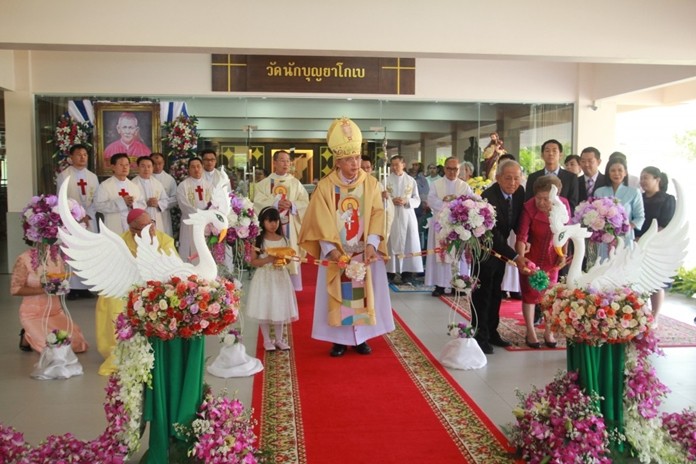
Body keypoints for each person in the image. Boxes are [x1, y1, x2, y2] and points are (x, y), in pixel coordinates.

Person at [298, 117, 394, 357]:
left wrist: (372, 244)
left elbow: (377, 214)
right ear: (338, 161)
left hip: (364, 252)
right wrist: (331, 250)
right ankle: (339, 340)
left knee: (363, 294)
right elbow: (321, 220)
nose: (355, 163)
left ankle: (360, 338)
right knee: (340, 296)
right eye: (349, 159)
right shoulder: (326, 187)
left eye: (358, 157)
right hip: (337, 253)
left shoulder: (370, 184)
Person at [95, 208, 176, 375]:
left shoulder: (164, 240)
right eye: (144, 227)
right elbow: (112, 269)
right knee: (111, 299)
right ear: (132, 230)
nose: (151, 229)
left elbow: (173, 266)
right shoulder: (120, 242)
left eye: (151, 224)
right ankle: (122, 349)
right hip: (128, 283)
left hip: (157, 282)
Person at [471, 159, 526, 354]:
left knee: (496, 293)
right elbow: (492, 236)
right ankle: (479, 336)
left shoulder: (520, 193)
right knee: (482, 295)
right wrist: (516, 256)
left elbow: (521, 220)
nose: (512, 182)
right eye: (508, 178)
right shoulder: (488, 197)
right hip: (485, 249)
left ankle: (492, 332)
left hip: (501, 251)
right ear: (498, 178)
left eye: (516, 178)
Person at [515, 175, 569, 348]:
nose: (541, 202)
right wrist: (521, 259)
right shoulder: (528, 207)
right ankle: (530, 332)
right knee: (530, 295)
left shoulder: (563, 205)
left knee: (550, 296)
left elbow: (565, 232)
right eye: (538, 197)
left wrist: (563, 254)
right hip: (532, 257)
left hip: (553, 256)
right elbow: (522, 236)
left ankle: (548, 331)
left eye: (546, 199)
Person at [11, 248, 89, 354]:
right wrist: (44, 289)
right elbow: (15, 290)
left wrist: (62, 287)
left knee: (77, 344)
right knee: (51, 348)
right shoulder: (24, 259)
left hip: (55, 312)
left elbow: (61, 280)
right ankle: (28, 333)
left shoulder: (56, 257)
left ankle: (29, 333)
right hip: (32, 314)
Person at [254, 150, 309, 291]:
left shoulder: (295, 183)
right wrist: (274, 203)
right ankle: (271, 289)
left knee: (290, 254)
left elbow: (305, 202)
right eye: (282, 160)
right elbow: (257, 202)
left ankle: (290, 289)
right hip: (270, 229)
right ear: (274, 162)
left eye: (288, 161)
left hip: (290, 226)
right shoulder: (264, 184)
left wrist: (292, 205)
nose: (286, 164)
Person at [246, 207, 299, 351]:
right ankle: (267, 340)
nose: (273, 224)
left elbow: (288, 260)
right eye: (269, 221)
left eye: (275, 221)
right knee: (264, 305)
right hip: (264, 277)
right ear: (263, 222)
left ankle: (279, 339)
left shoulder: (284, 240)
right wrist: (268, 259)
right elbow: (253, 262)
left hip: (279, 277)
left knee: (279, 306)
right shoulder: (258, 241)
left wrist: (283, 260)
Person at [424, 157, 473, 296]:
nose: (452, 172)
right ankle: (440, 285)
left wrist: (454, 204)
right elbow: (432, 200)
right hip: (441, 224)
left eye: (455, 169)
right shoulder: (436, 184)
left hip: (458, 225)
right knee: (441, 254)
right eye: (449, 169)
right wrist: (451, 205)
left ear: (459, 170)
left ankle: (458, 284)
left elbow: (470, 202)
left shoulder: (464, 186)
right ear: (445, 169)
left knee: (457, 256)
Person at [56, 144, 100, 300]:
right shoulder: (64, 176)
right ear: (71, 157)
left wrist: (87, 214)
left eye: (85, 155)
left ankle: (86, 287)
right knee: (72, 254)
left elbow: (97, 200)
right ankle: (72, 287)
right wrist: (75, 216)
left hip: (88, 221)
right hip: (71, 221)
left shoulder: (92, 177)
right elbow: (62, 199)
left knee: (87, 254)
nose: (82, 157)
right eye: (79, 154)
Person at [637, 166, 676, 322]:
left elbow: (666, 224)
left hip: (658, 245)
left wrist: (646, 239)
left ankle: (655, 315)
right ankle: (641, 313)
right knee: (639, 279)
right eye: (641, 178)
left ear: (657, 179)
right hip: (637, 244)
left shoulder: (668, 199)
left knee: (655, 281)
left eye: (646, 177)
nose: (643, 181)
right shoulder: (638, 197)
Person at [385, 155, 423, 284]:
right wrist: (391, 200)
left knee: (409, 243)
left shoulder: (411, 181)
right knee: (391, 243)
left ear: (403, 164)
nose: (395, 167)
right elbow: (380, 199)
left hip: (407, 216)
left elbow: (417, 200)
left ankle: (407, 273)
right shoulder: (385, 181)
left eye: (397, 164)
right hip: (392, 216)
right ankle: (390, 272)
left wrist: (406, 201)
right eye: (392, 165)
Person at [593, 155, 645, 248]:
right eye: (612, 170)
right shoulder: (599, 191)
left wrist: (626, 228)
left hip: (625, 238)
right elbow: (594, 215)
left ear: (625, 172)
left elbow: (640, 217)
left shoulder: (634, 192)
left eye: (620, 170)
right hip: (604, 238)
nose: (616, 173)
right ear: (608, 173)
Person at [94, 152, 145, 234]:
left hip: (132, 227)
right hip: (113, 226)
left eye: (127, 165)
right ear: (113, 167)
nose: (125, 167)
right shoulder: (105, 186)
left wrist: (133, 204)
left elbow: (143, 204)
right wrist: (121, 202)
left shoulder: (134, 186)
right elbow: (98, 206)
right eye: (121, 165)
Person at [176, 157, 214, 263]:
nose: (196, 169)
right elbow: (184, 205)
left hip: (206, 224)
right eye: (193, 167)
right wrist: (200, 215)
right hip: (190, 222)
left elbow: (214, 203)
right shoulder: (183, 186)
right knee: (189, 248)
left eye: (198, 166)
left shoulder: (209, 185)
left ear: (202, 168)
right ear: (188, 169)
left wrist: (207, 216)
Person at [525, 139, 579, 213]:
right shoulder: (533, 177)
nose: (550, 153)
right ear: (542, 155)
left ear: (560, 155)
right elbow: (529, 202)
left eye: (554, 151)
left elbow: (573, 204)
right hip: (537, 220)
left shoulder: (571, 178)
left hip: (562, 221)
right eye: (547, 151)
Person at [131, 156, 169, 235]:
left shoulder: (157, 184)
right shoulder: (132, 184)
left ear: (152, 168)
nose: (146, 169)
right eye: (143, 166)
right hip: (139, 220)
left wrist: (158, 203)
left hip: (156, 218)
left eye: (149, 166)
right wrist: (145, 204)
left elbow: (165, 200)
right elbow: (130, 204)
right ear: (138, 167)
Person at [361, 155, 394, 242]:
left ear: (371, 168)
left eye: (367, 167)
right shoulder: (353, 185)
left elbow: (387, 209)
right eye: (362, 167)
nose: (365, 170)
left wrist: (384, 199)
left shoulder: (378, 185)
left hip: (373, 222)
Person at [150, 152, 178, 237]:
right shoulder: (145, 178)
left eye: (160, 163)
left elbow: (175, 198)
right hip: (148, 214)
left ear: (164, 163)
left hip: (163, 214)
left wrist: (159, 204)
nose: (157, 166)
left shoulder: (169, 179)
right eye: (154, 164)